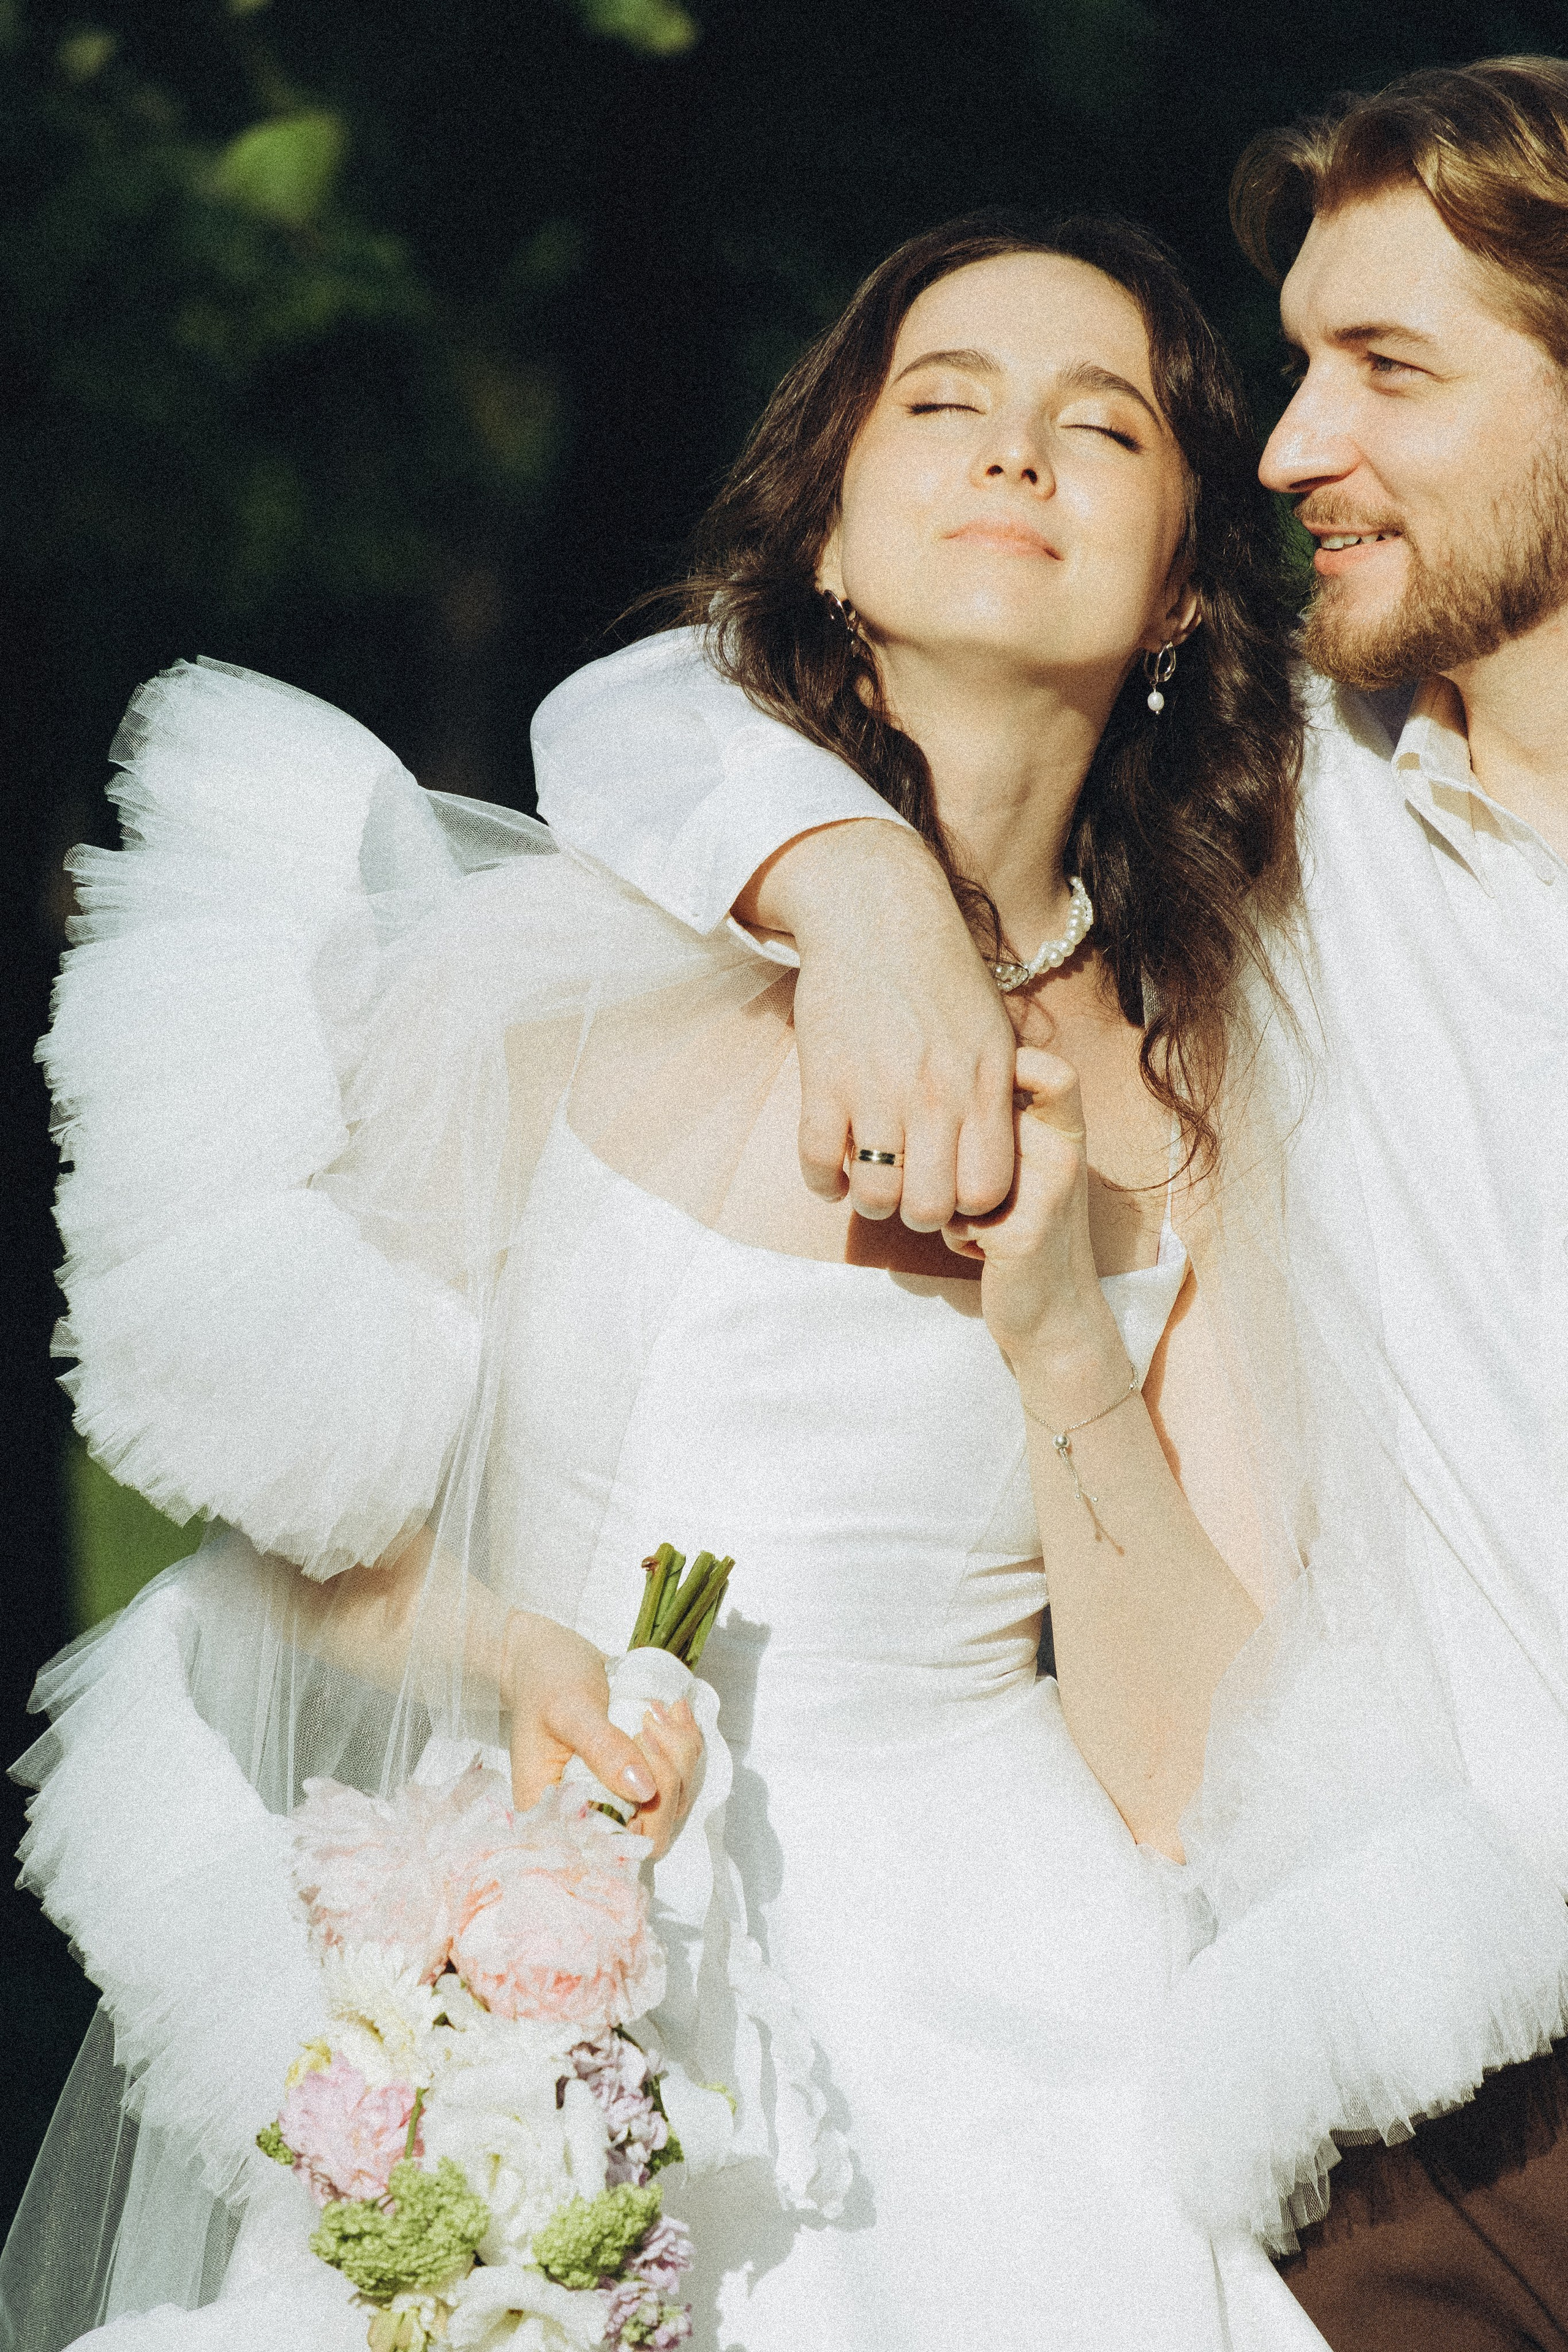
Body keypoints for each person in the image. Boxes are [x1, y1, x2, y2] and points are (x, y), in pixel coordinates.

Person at [3, 214, 1323, 2351]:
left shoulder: (1207, 1100)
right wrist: (506, 1652)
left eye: (1102, 429)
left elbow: (1190, 1773)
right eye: (944, 404)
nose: (1016, 454)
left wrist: (1064, 1339)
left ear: (1180, 589)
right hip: (536, 1964)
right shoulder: (581, 965)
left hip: (1004, 2059)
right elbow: (305, 1537)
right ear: (828, 532)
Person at [532, 57, 1568, 2352]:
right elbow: (659, 705)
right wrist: (864, 883)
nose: (1296, 448)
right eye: (1294, 373)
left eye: (1388, 370)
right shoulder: (1327, 839)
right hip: (1450, 2126)